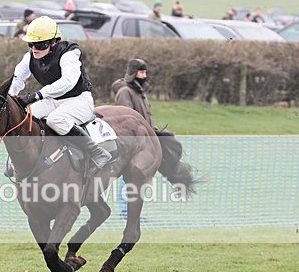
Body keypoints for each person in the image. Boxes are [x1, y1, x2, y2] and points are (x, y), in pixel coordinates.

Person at [9, 15, 111, 174]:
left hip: (79, 100)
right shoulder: (29, 56)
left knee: (55, 120)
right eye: (31, 44)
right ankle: (23, 161)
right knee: (24, 118)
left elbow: (68, 82)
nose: (35, 48)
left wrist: (37, 95)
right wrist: (8, 98)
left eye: (40, 45)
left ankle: (98, 153)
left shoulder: (70, 53)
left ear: (53, 42)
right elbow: (17, 79)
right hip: (53, 100)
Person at [112, 58, 183, 217]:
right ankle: (125, 211)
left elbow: (147, 116)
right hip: (132, 142)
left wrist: (155, 132)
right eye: (141, 72)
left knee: (135, 176)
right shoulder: (125, 92)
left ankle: (129, 211)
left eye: (145, 72)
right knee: (130, 176)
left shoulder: (139, 92)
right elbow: (126, 117)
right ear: (133, 73)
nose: (145, 75)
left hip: (144, 139)